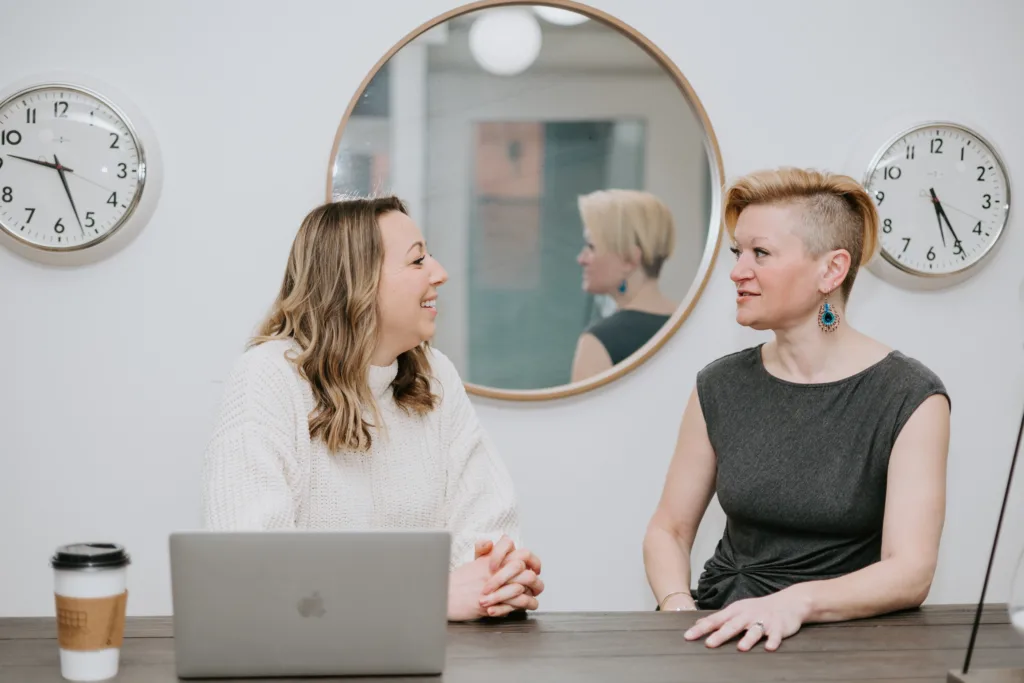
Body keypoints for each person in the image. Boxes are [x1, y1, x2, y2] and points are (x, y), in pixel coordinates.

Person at [642, 168, 950, 652]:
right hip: (720, 633)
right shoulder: (719, 385)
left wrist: (795, 603)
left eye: (760, 253)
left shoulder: (910, 397)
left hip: (847, 647)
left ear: (831, 270)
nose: (737, 270)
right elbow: (669, 528)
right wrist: (678, 607)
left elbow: (910, 571)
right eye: (737, 252)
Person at [202, 196, 544, 622]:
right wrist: (429, 597)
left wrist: (501, 576)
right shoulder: (266, 377)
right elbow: (251, 574)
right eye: (418, 261)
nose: (440, 273)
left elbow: (489, 535)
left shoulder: (435, 375)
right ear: (356, 282)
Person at [572, 189, 678, 382]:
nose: (581, 259)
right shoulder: (688, 325)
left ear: (629, 259)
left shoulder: (598, 343)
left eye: (591, 246)